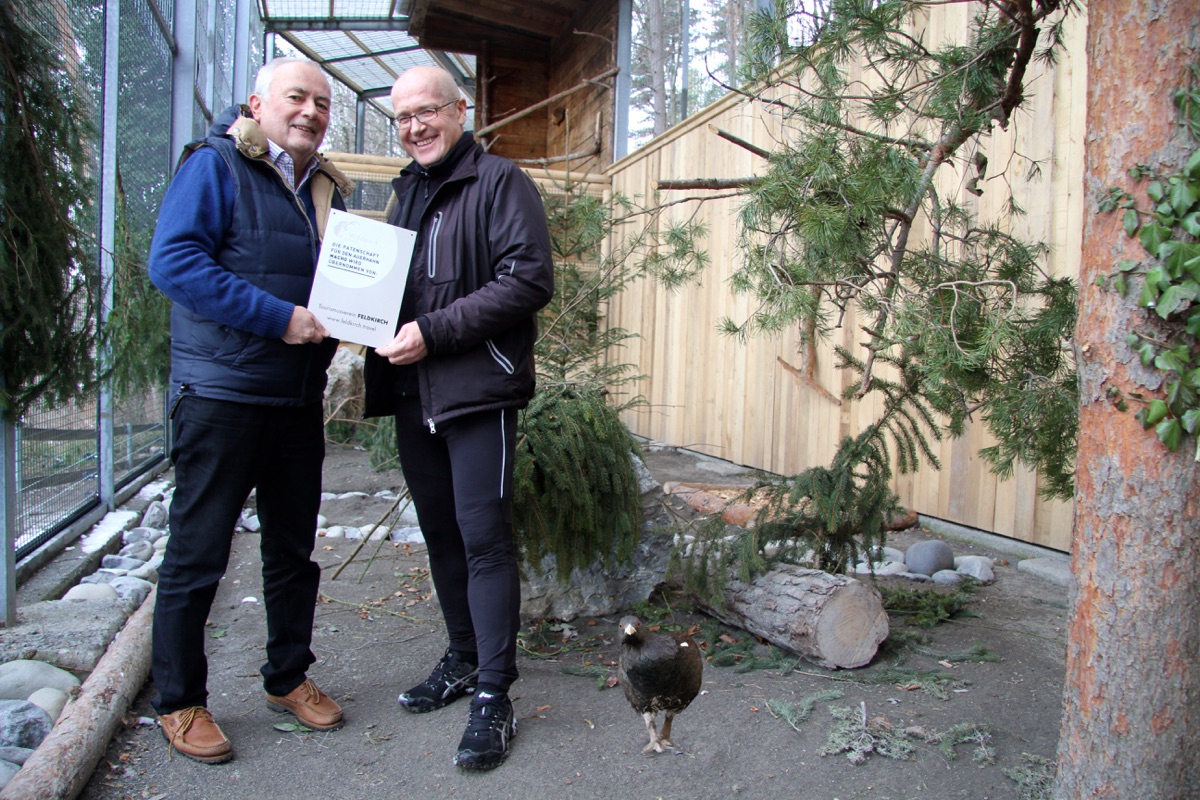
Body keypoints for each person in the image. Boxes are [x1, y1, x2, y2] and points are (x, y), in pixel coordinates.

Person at [147, 56, 353, 764]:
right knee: (198, 552)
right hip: (221, 397)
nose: (311, 112)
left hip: (295, 399)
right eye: (297, 97)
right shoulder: (215, 166)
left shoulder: (326, 189)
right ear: (257, 105)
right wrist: (278, 318)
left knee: (293, 551)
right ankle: (179, 699)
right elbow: (174, 262)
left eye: (323, 103)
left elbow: (339, 286)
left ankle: (287, 676)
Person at [362, 65, 554, 771]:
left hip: (478, 392)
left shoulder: (500, 182)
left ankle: (494, 696)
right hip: (414, 392)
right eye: (403, 117)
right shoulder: (406, 194)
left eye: (428, 111)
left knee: (484, 541)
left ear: (459, 111)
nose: (416, 127)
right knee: (442, 535)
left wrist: (434, 332)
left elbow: (528, 279)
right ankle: (464, 656)